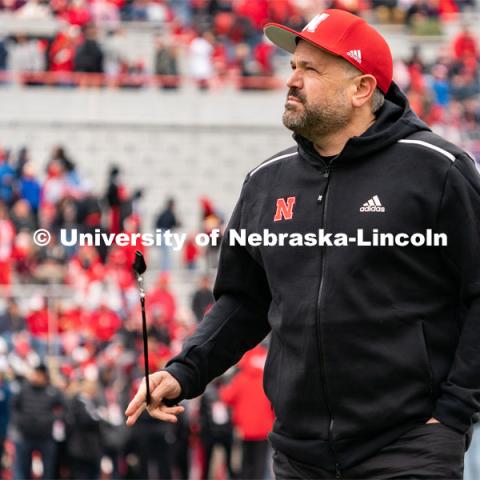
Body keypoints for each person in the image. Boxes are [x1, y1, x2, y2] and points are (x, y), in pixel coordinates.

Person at [126, 9, 480, 479]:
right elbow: (244, 302)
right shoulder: (264, 182)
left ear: (362, 89)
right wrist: (184, 371)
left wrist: (454, 410)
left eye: (312, 69)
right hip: (299, 456)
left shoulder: (438, 170)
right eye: (293, 66)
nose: (292, 80)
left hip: (408, 446)